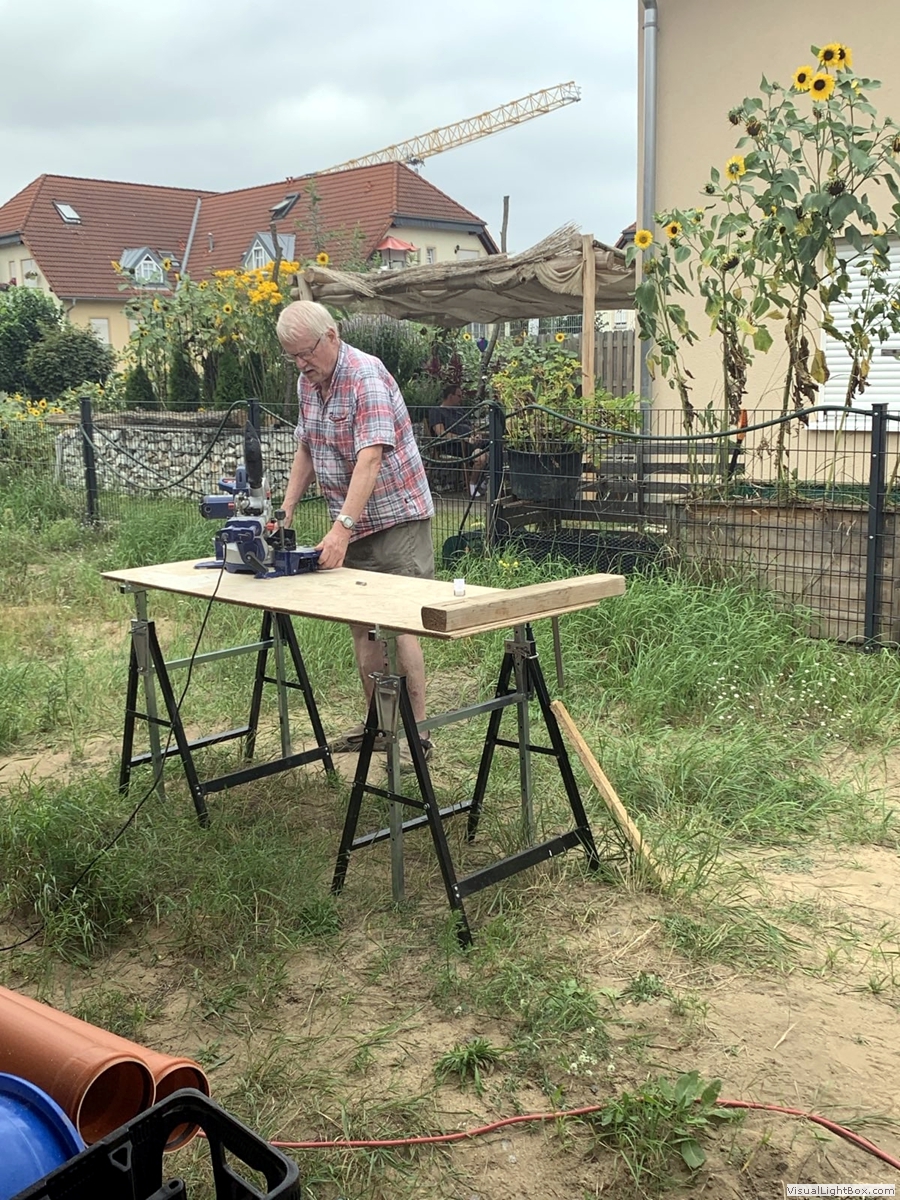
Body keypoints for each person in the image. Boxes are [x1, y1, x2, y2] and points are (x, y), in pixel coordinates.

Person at [276, 301, 434, 760]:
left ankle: (418, 736)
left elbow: (371, 457)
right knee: (363, 627)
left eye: (306, 353)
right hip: (353, 522)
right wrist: (285, 510)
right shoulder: (309, 384)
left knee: (400, 625)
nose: (301, 364)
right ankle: (381, 729)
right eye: (292, 356)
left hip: (396, 520)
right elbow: (307, 448)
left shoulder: (366, 376)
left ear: (332, 336)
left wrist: (341, 528)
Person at [427, 383, 488, 496]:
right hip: (452, 445)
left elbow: (472, 428)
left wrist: (476, 434)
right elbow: (441, 434)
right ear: (450, 396)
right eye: (459, 396)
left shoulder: (460, 411)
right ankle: (474, 484)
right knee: (483, 453)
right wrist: (464, 439)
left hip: (470, 443)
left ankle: (484, 482)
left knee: (493, 447)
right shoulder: (436, 411)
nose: (461, 399)